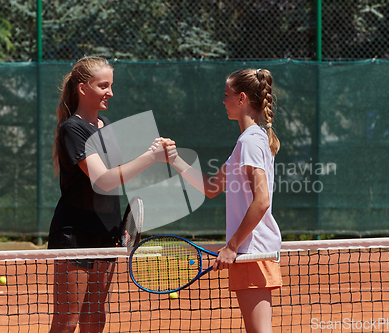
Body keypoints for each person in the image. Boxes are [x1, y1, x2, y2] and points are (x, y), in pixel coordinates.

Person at [49, 56, 167, 333]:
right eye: (104, 86)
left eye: (111, 86)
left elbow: (118, 177)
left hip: (108, 231)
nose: (110, 93)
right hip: (74, 233)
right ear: (82, 88)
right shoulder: (72, 129)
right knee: (67, 321)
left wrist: (123, 222)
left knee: (95, 317)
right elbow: (102, 179)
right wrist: (151, 156)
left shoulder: (107, 125)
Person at [161, 68, 282, 333]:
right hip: (250, 252)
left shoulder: (250, 141)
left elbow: (261, 201)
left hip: (251, 252)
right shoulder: (249, 141)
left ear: (241, 99)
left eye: (226, 95)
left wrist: (233, 246)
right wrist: (174, 159)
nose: (223, 101)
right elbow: (212, 187)